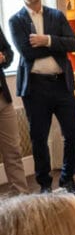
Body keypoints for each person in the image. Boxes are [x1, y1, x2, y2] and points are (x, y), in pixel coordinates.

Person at [8, 0, 75, 196]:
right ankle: (44, 185)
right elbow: (27, 51)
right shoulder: (16, 20)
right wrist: (57, 44)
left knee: (74, 132)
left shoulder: (57, 16)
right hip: (35, 87)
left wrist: (47, 39)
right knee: (39, 137)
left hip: (62, 84)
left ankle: (68, 179)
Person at [0, 26, 29, 194]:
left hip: (3, 98)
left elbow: (9, 52)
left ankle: (21, 199)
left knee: (14, 152)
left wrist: (3, 57)